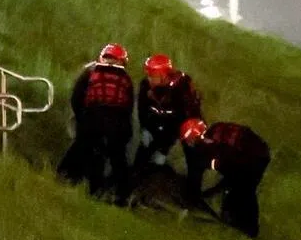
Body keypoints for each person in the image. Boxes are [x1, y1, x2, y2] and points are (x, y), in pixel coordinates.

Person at [57, 43, 134, 206]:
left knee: (83, 148)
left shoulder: (90, 72)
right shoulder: (125, 79)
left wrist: (81, 117)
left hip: (93, 116)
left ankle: (63, 177)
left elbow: (76, 98)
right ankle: (121, 194)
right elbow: (128, 106)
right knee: (117, 158)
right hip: (117, 121)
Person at [181, 119, 270, 238]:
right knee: (237, 188)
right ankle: (239, 221)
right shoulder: (215, 133)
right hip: (251, 155)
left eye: (190, 141)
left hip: (254, 158)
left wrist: (196, 195)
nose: (190, 144)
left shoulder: (214, 142)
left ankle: (247, 229)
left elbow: (229, 164)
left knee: (243, 191)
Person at [134, 53, 203, 174]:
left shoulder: (181, 88)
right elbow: (142, 109)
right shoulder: (145, 85)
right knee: (144, 151)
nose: (149, 79)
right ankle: (136, 175)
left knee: (193, 159)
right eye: (148, 75)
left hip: (182, 125)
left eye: (152, 76)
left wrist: (169, 137)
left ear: (164, 76)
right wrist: (144, 128)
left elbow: (189, 115)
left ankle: (191, 188)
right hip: (158, 120)